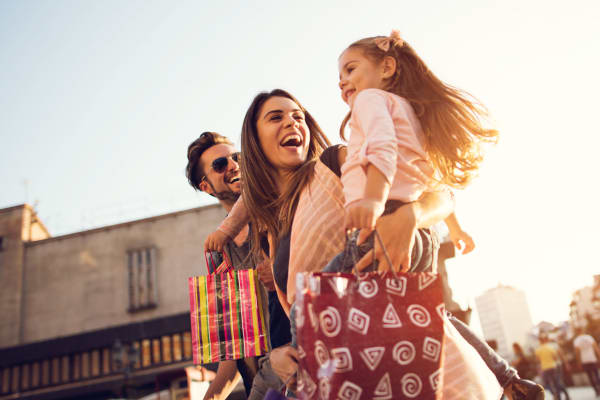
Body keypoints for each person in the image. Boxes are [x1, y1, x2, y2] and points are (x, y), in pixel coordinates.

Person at [219, 87, 540, 399]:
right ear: (255, 142)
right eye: (276, 118)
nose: (292, 123)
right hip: (348, 376)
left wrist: (411, 215)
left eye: (298, 116)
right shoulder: (275, 230)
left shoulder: (332, 164)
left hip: (411, 360)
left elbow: (438, 191)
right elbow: (307, 320)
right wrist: (279, 358)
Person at [185, 131, 291, 400]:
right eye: (220, 165)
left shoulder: (278, 211)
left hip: (297, 359)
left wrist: (281, 271)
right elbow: (232, 351)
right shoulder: (219, 254)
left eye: (237, 157)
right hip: (263, 379)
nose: (233, 165)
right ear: (206, 186)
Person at [535, 333, 570, 400]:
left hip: (548, 367)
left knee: (550, 383)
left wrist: (539, 370)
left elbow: (538, 361)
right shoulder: (550, 347)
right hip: (555, 366)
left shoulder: (540, 349)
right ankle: (559, 396)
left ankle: (557, 396)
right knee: (557, 382)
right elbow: (556, 357)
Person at [573, 326, 600, 396]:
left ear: (577, 332)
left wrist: (579, 362)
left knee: (590, 376)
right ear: (582, 330)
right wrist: (599, 357)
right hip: (592, 359)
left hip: (584, 361)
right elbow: (596, 348)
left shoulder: (577, 340)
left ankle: (596, 390)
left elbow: (577, 353)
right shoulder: (589, 337)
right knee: (596, 374)